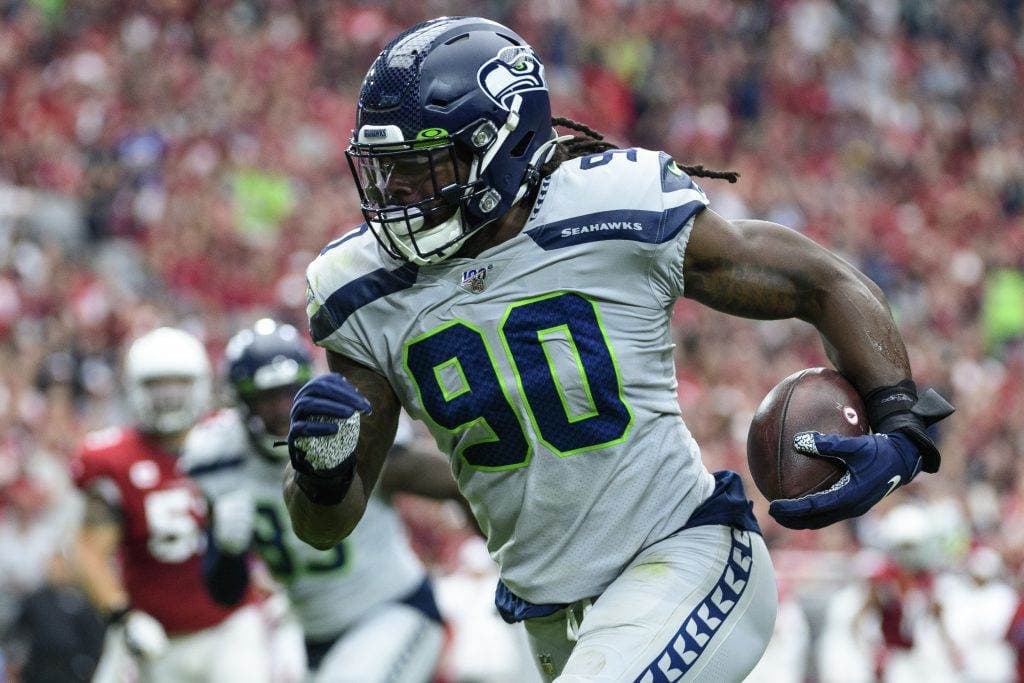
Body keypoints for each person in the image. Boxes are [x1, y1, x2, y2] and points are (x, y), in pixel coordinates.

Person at [283, 17, 954, 682]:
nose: (395, 195)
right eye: (384, 172)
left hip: (684, 558)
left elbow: (819, 281)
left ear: (499, 144)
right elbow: (325, 525)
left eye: (420, 167)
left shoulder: (610, 210)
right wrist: (320, 473)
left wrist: (900, 420)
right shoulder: (361, 292)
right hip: (552, 618)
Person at [181, 319, 452, 682]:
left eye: (290, 391)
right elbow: (225, 593)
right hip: (312, 635)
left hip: (393, 610)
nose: (283, 408)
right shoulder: (218, 459)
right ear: (240, 400)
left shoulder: (348, 430)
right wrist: (227, 549)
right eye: (267, 397)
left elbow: (452, 481)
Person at [71, 327, 270, 683]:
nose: (168, 397)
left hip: (231, 626)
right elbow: (90, 552)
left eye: (179, 384)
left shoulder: (230, 439)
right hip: (153, 634)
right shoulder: (113, 459)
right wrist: (122, 617)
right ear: (134, 388)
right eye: (156, 386)